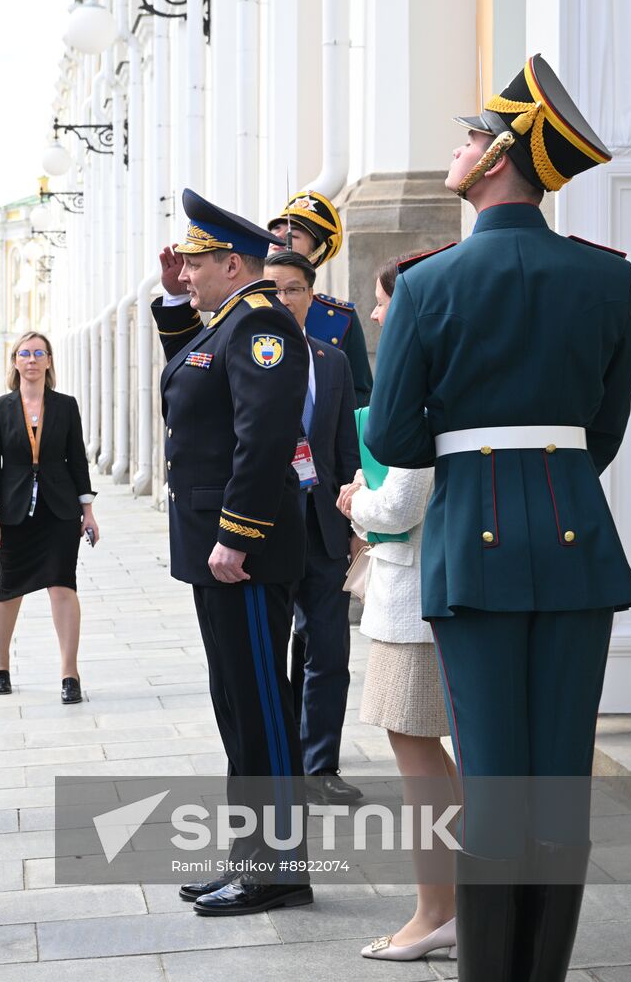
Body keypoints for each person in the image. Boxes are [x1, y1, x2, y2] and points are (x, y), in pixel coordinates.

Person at [366, 54, 631, 981]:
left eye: (470, 137)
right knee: (558, 781)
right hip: (575, 535)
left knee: (489, 776)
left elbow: (396, 435)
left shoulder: (426, 283)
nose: (457, 148)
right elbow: (604, 427)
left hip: (471, 545)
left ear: (497, 157)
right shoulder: (605, 276)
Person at [153, 189, 312, 917]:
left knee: (261, 708)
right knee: (236, 704)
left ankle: (278, 868)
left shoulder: (260, 325)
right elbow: (193, 379)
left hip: (241, 552)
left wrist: (236, 533)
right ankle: (251, 855)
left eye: (193, 264)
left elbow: (263, 436)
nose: (185, 274)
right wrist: (172, 302)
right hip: (215, 549)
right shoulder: (227, 325)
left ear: (232, 263)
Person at [338, 254, 458, 963]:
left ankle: (436, 914)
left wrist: (358, 501)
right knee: (432, 760)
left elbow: (402, 504)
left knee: (418, 763)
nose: (377, 312)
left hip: (411, 599)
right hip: (419, 593)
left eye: (385, 300)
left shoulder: (418, 383)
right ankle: (459, 906)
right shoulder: (445, 373)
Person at [262, 251, 364, 806]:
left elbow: (346, 447)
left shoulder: (332, 361)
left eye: (293, 290)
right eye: (272, 290)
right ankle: (280, 762)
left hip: (325, 529)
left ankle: (321, 765)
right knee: (273, 651)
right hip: (266, 529)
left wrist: (355, 522)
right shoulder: (248, 358)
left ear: (310, 296)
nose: (283, 300)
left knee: (328, 651)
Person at [0, 331, 98, 704]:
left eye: (39, 353)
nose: (31, 360)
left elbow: (77, 461)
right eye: (25, 353)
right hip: (14, 512)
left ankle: (69, 673)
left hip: (59, 510)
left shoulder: (65, 406)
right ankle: (0, 665)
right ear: (15, 361)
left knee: (62, 586)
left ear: (48, 361)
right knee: (9, 588)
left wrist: (88, 512)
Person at [268, 190, 374, 405]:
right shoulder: (245, 305)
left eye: (293, 235)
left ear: (315, 254)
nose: (278, 236)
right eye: (276, 229)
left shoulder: (341, 318)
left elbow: (359, 394)